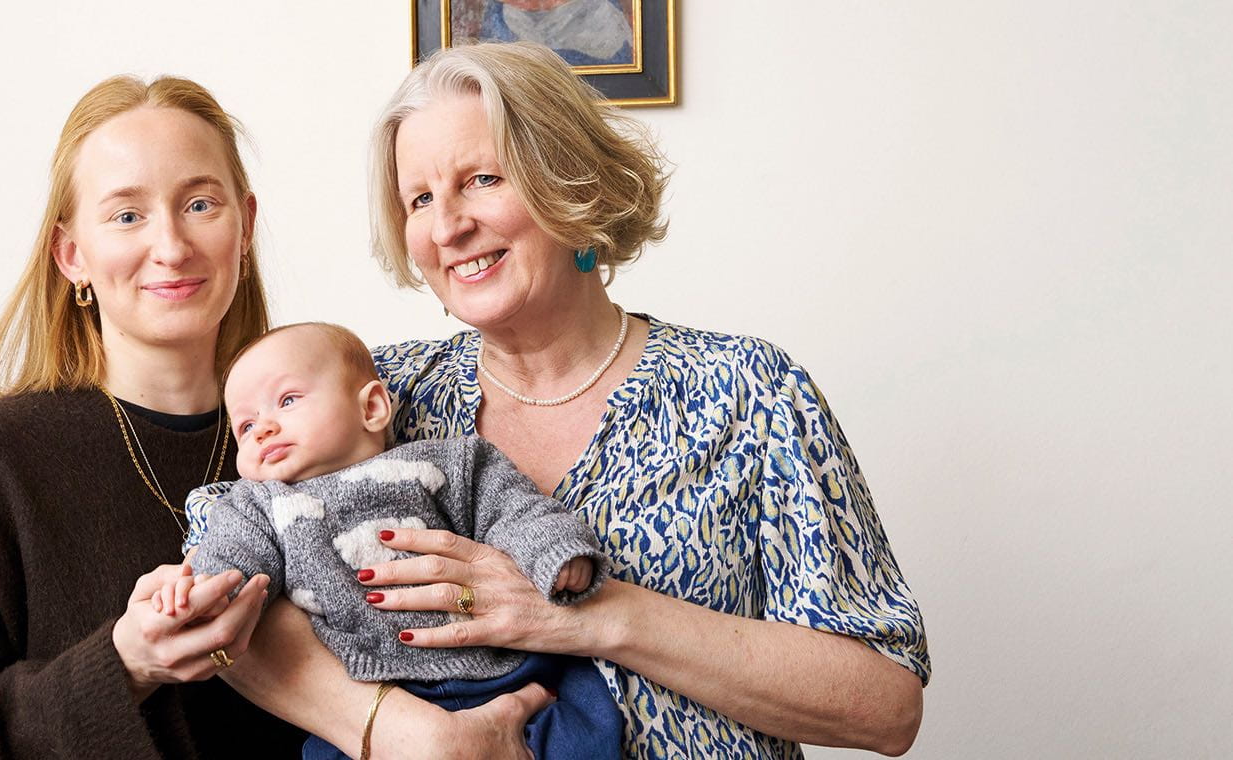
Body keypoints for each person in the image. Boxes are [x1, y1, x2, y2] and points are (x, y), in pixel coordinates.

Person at [189, 42, 930, 758]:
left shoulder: (747, 390)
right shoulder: (379, 393)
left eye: (482, 179)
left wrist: (590, 617)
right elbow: (227, 588)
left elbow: (887, 708)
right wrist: (405, 733)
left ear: (572, 183)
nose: (447, 226)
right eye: (421, 198)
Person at [0, 74, 304, 759]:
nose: (172, 246)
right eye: (127, 216)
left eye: (199, 204)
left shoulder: (318, 435)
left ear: (245, 226)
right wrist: (124, 664)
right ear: (72, 255)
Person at [167, 322, 619, 759]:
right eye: (245, 426)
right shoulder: (258, 505)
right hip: (372, 693)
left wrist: (554, 551)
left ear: (371, 408)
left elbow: (513, 507)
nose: (263, 428)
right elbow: (232, 557)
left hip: (498, 669)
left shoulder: (448, 462)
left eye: (287, 400)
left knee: (583, 715)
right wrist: (203, 595)